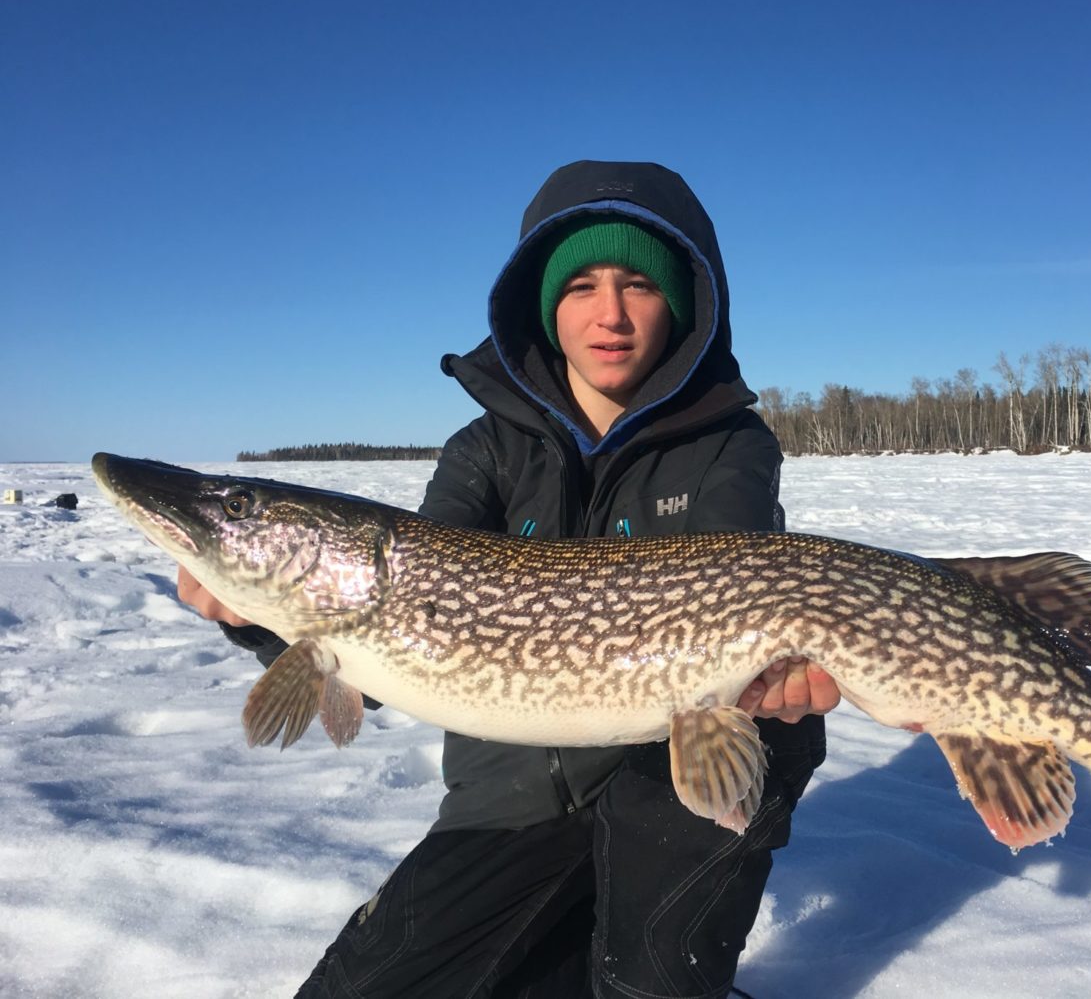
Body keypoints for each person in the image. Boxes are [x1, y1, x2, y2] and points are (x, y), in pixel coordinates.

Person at [179, 159, 839, 998]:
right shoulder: (483, 450)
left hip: (673, 769)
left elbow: (735, 594)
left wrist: (767, 679)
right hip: (515, 785)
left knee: (650, 980)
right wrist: (264, 621)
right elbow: (385, 663)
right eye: (582, 287)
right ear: (544, 303)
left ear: (679, 302)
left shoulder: (731, 444)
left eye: (637, 283)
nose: (609, 314)